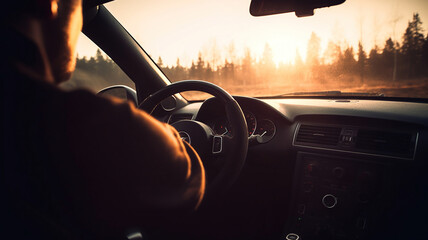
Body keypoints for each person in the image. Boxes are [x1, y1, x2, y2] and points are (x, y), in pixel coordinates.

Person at [1, 0, 205, 239]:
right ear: (48, 4)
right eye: (79, 8)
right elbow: (182, 176)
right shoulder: (78, 125)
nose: (79, 26)